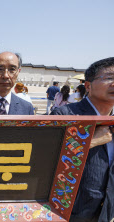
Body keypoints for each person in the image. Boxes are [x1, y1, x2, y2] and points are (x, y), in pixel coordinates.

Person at [51, 57, 114, 221]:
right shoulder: (65, 115)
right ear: (88, 86)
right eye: (109, 78)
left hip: (105, 211)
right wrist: (90, 142)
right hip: (69, 211)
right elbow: (47, 160)